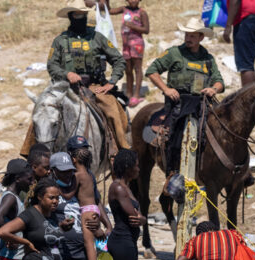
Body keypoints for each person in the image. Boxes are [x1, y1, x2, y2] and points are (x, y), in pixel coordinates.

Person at [45, 0, 129, 151]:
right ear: (71, 16)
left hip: (94, 87)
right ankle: (35, 153)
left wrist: (111, 82)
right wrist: (67, 74)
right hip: (65, 88)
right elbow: (52, 65)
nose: (81, 18)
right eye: (78, 15)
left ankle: (121, 151)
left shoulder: (97, 37)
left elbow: (118, 60)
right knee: (43, 110)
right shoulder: (60, 40)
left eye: (84, 14)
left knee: (113, 110)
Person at [145, 18, 224, 175]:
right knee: (176, 135)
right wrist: (166, 89)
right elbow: (152, 71)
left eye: (193, 36)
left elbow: (219, 81)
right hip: (178, 103)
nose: (188, 38)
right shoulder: (174, 53)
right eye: (187, 34)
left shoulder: (208, 58)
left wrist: (213, 89)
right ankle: (173, 171)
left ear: (201, 37)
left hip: (201, 103)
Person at [67, 136, 104, 260]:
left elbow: (70, 195)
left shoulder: (77, 176)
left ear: (73, 159)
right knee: (92, 244)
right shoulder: (89, 174)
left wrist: (61, 191)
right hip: (93, 209)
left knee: (88, 244)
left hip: (86, 211)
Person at [108, 149, 145, 260]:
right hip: (122, 242)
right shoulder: (119, 188)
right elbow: (135, 217)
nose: (138, 169)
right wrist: (143, 219)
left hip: (127, 241)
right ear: (127, 167)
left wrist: (142, 218)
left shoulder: (125, 187)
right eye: (136, 166)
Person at [109, 0, 149, 107]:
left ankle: (136, 95)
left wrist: (132, 26)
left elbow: (146, 29)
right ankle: (129, 93)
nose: (133, 1)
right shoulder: (124, 9)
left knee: (137, 68)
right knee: (128, 69)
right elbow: (109, 11)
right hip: (126, 44)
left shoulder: (142, 12)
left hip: (137, 44)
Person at [224, 0, 255, 86]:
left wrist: (228, 26)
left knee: (245, 65)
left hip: (247, 18)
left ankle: (249, 98)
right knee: (249, 62)